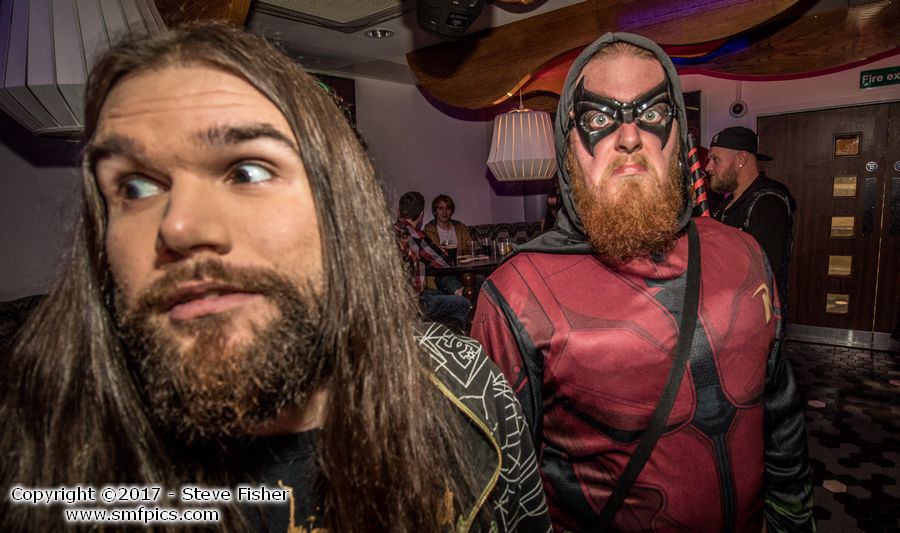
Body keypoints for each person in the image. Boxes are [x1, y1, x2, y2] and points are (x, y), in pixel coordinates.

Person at [0, 23, 551, 532]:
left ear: (345, 212)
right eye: (135, 187)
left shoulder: (468, 388)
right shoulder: (52, 452)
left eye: (247, 171)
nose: (178, 225)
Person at [470, 33, 813, 532]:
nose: (629, 136)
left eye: (651, 113)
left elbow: (782, 420)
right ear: (569, 147)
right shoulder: (518, 296)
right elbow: (500, 492)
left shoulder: (744, 255)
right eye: (598, 119)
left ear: (679, 137)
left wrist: (793, 521)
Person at [707, 126, 796, 309]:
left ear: (741, 159)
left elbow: (761, 270)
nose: (708, 167)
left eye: (715, 160)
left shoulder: (768, 202)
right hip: (727, 307)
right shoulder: (726, 203)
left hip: (754, 313)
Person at [395, 191, 473, 332]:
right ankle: (456, 342)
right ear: (421, 215)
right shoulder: (416, 236)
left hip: (390, 299)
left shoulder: (386, 232)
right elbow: (443, 261)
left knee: (439, 294)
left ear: (398, 212)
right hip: (411, 302)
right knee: (464, 303)